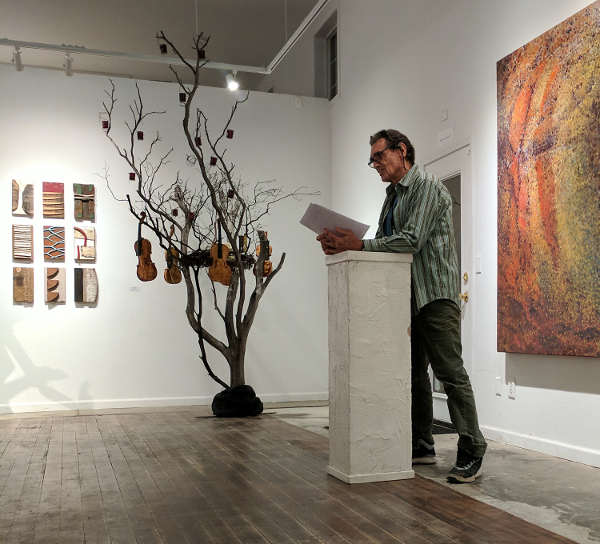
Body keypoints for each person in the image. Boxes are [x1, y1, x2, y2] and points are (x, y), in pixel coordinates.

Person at [317, 129, 487, 483]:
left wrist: (359, 246)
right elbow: (384, 242)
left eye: (379, 156)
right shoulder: (392, 197)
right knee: (413, 374)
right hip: (405, 296)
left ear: (402, 150)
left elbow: (410, 240)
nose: (375, 164)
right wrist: (344, 243)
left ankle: (472, 448)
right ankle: (422, 443)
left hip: (435, 295)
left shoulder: (427, 187)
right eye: (372, 160)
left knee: (450, 373)